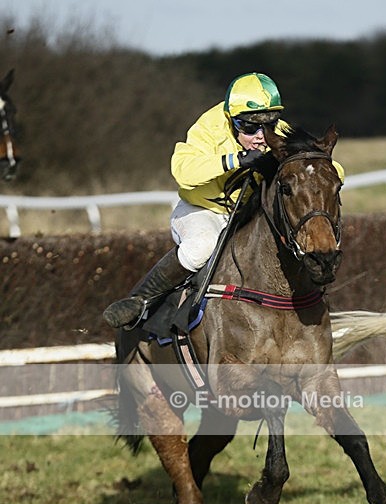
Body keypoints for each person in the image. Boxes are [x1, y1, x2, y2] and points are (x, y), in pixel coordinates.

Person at [103, 72, 286, 328]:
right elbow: (183, 171)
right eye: (249, 127)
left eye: (268, 126)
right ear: (232, 121)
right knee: (202, 246)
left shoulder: (277, 132)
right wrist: (236, 160)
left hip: (244, 215)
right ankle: (139, 301)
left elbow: (327, 168)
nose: (260, 136)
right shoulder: (207, 128)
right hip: (202, 210)